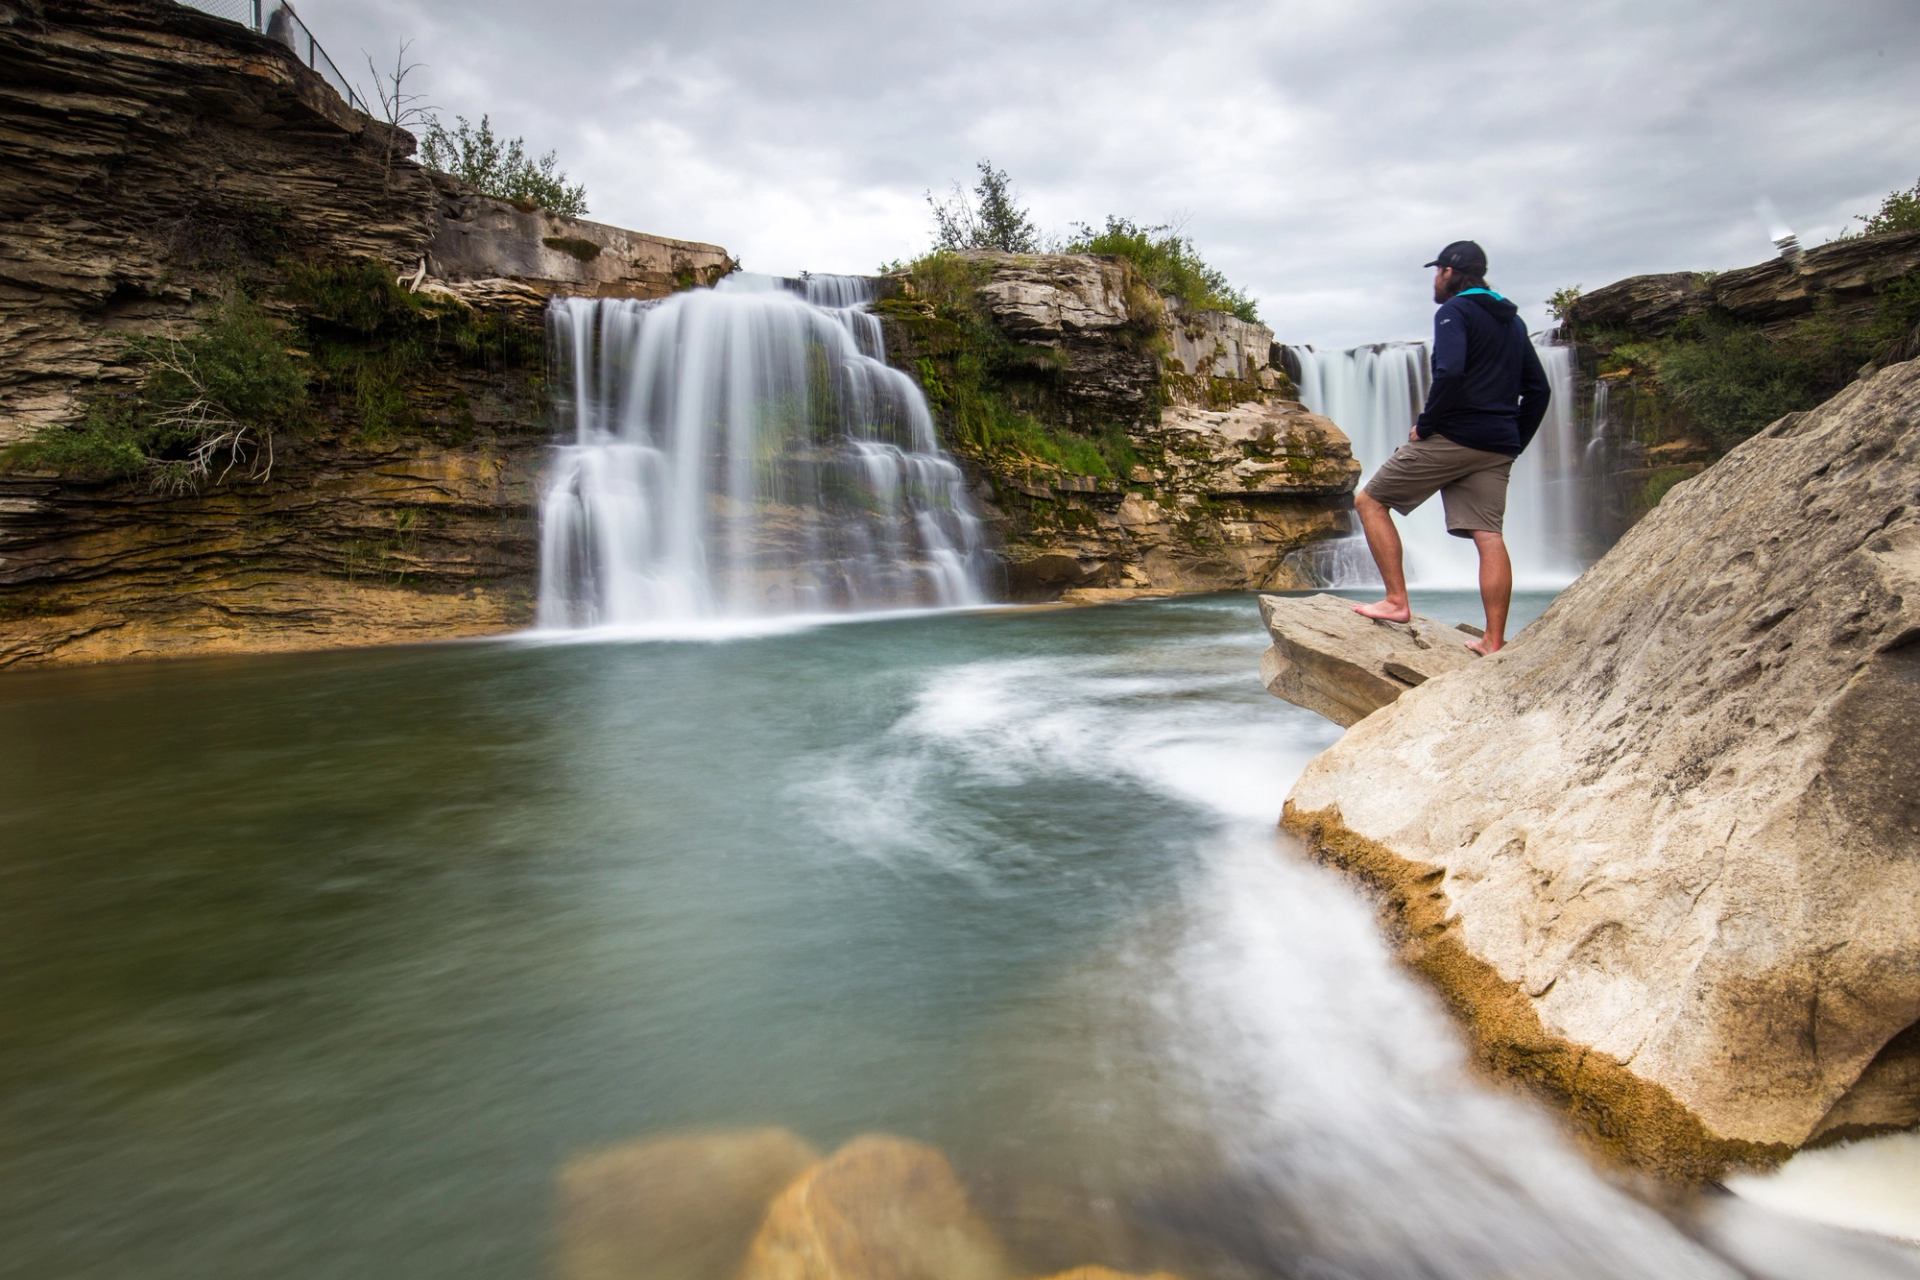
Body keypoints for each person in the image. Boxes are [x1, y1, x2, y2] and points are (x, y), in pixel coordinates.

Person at [1350, 240, 1550, 655]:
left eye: (1437, 271)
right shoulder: (1512, 323)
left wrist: (1427, 425)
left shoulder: (1453, 312)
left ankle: (1396, 601)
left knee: (1370, 500)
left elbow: (1450, 371)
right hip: (1497, 444)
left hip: (1456, 435)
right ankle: (1493, 640)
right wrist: (1513, 442)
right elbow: (1539, 390)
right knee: (1488, 534)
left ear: (1448, 273)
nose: (1434, 280)